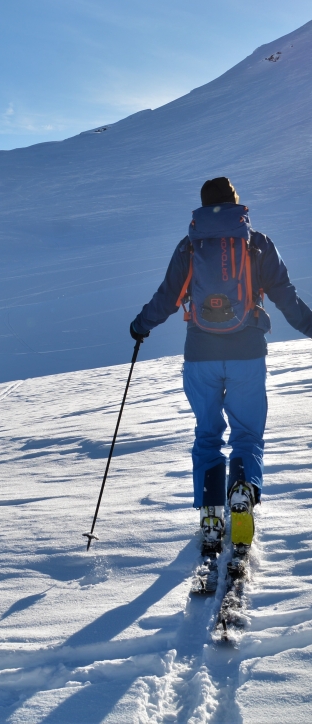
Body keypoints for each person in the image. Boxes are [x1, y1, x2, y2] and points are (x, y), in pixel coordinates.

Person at [130, 177, 312, 555]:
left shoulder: (191, 245)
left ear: (201, 206)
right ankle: (242, 491)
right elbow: (284, 294)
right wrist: (309, 325)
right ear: (236, 204)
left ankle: (211, 511)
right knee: (247, 434)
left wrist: (140, 325)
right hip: (247, 351)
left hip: (200, 355)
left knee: (208, 434)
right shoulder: (256, 243)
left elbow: (167, 297)